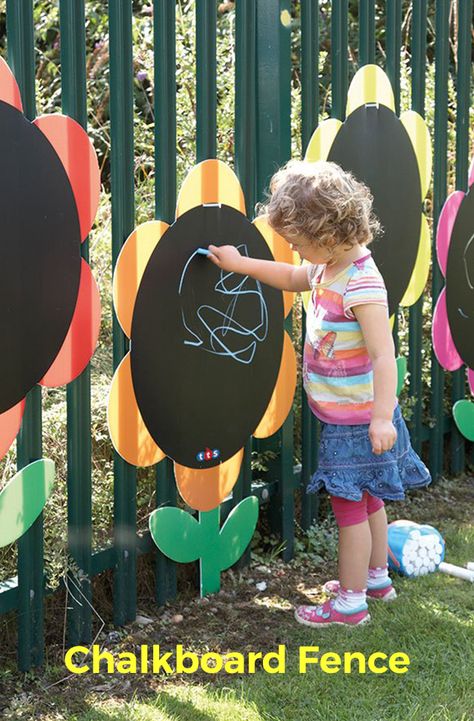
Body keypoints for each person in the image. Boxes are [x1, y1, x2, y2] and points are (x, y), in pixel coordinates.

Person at [206, 159, 431, 627]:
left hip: (359, 421)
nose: (295, 251)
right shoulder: (328, 268)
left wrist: (383, 417)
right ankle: (375, 579)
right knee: (369, 500)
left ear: (327, 233)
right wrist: (240, 263)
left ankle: (349, 604)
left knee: (349, 509)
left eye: (298, 242)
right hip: (350, 417)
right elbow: (290, 278)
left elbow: (384, 355)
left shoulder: (361, 282)